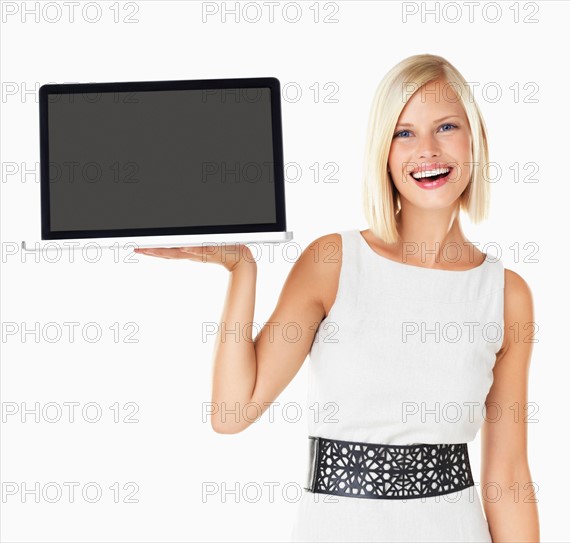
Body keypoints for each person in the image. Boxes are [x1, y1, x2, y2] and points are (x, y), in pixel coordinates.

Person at [135, 53, 540, 542]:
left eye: (447, 126)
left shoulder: (504, 294)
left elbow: (509, 477)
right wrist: (242, 268)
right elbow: (231, 412)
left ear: (475, 137)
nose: (427, 150)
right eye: (404, 132)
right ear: (382, 152)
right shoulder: (333, 262)